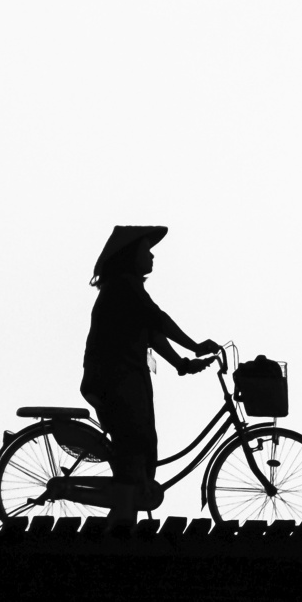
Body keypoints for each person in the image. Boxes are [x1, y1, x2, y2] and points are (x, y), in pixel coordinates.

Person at [82, 225, 221, 525]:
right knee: (135, 443)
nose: (152, 255)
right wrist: (195, 346)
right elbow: (158, 321)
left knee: (139, 447)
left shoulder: (126, 288)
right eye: (147, 250)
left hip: (122, 379)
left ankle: (124, 514)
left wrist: (181, 363)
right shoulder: (124, 286)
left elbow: (151, 332)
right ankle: (123, 516)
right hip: (116, 380)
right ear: (131, 255)